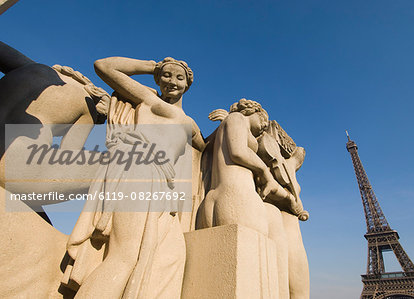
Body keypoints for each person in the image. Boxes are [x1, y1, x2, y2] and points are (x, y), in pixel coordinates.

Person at [62, 56, 205, 298]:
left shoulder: (190, 124)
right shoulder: (148, 99)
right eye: (166, 76)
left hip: (163, 188)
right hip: (140, 170)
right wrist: (153, 67)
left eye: (179, 77)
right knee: (125, 256)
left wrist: (228, 124)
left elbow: (205, 147)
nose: (171, 81)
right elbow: (104, 67)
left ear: (188, 84)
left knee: (171, 254)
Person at [196, 99, 309, 299]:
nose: (263, 127)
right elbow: (239, 151)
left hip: (215, 198)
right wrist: (264, 171)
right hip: (238, 196)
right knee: (266, 260)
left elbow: (206, 147)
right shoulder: (238, 118)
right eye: (262, 120)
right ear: (252, 111)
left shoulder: (230, 122)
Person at [0, 41, 109, 223]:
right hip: (14, 165)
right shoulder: (89, 106)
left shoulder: (34, 68)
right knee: (118, 167)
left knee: (42, 220)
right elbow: (68, 157)